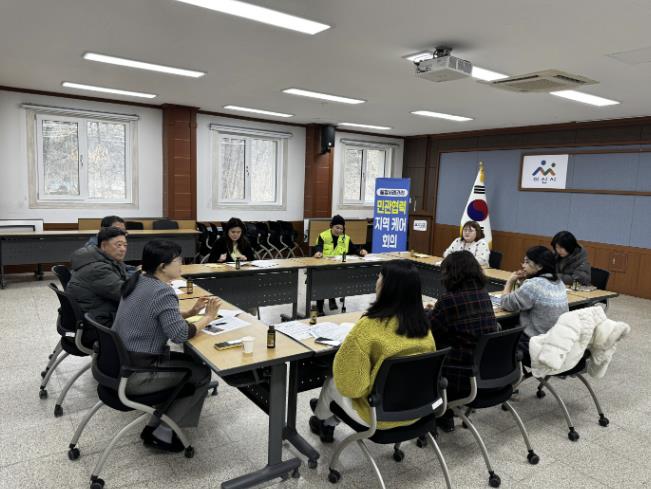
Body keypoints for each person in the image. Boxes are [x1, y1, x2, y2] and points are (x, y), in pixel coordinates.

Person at [112, 240, 221, 452]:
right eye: (178, 260)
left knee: (188, 363)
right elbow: (180, 335)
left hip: (119, 363)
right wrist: (208, 317)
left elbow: (154, 312)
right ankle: (162, 431)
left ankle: (159, 422)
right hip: (138, 374)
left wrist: (191, 313)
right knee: (201, 373)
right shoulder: (163, 291)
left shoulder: (139, 279)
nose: (182, 264)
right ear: (162, 266)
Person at [309, 260, 435, 442]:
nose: (377, 281)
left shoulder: (368, 326)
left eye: (379, 277)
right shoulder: (424, 327)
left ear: (386, 286)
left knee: (333, 382)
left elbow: (352, 387)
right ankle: (327, 416)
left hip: (379, 416)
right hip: (417, 411)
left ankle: (323, 421)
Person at [427, 251, 499, 432]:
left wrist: (428, 313)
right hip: (485, 370)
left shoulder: (449, 300)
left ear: (451, 273)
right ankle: (446, 414)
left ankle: (440, 414)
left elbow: (429, 330)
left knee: (426, 355)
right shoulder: (484, 294)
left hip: (459, 375)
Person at [500, 246, 569, 366]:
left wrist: (510, 281)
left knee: (500, 330)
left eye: (527, 262)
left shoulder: (533, 284)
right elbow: (532, 298)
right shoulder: (559, 282)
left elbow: (506, 303)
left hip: (534, 343)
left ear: (540, 266)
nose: (523, 266)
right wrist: (524, 283)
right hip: (556, 342)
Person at [66, 226, 129, 326]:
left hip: (96, 310)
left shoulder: (101, 258)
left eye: (125, 245)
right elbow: (125, 294)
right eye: (119, 245)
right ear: (103, 245)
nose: (123, 249)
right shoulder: (98, 269)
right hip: (97, 321)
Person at [313, 215, 368, 314]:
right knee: (322, 281)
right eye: (337, 227)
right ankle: (320, 308)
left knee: (334, 279)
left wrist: (360, 252)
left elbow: (354, 249)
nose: (339, 230)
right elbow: (318, 246)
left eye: (341, 228)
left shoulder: (345, 238)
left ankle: (331, 297)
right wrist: (318, 252)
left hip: (338, 268)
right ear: (331, 226)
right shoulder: (323, 235)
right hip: (323, 268)